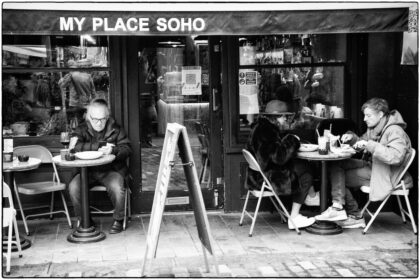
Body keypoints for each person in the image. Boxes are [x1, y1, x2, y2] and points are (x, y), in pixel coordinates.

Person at [315, 98, 413, 229]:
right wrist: (352, 138)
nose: (364, 119)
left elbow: (395, 157)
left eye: (368, 115)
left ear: (380, 114)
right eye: (364, 115)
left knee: (337, 177)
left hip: (384, 174)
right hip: (374, 166)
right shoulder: (376, 127)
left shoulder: (395, 131)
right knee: (335, 165)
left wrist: (369, 145)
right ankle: (338, 207)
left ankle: (354, 215)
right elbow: (362, 141)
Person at [246, 100, 318, 230]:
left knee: (301, 165)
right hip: (268, 177)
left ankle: (310, 197)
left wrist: (287, 139)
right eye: (284, 116)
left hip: (257, 175)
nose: (286, 119)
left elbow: (271, 152)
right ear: (276, 117)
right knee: (306, 170)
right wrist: (293, 140)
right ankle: (296, 215)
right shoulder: (267, 132)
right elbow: (279, 157)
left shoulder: (261, 127)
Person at [68, 98, 132, 234]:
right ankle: (85, 220)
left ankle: (119, 219)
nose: (99, 123)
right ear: (88, 117)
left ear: (107, 117)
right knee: (74, 187)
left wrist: (113, 150)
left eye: (102, 119)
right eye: (95, 119)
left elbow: (127, 149)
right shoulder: (81, 128)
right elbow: (74, 147)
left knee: (117, 187)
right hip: (86, 171)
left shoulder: (116, 128)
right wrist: (100, 146)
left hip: (111, 170)